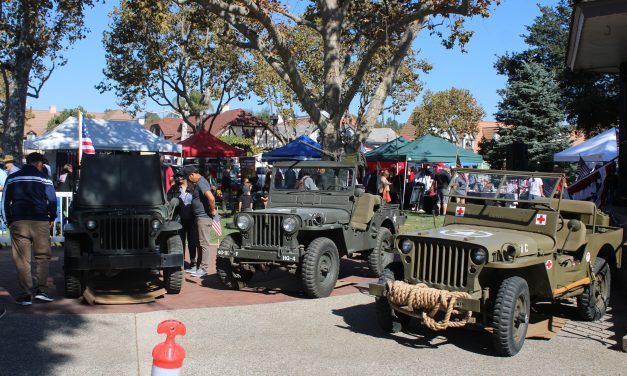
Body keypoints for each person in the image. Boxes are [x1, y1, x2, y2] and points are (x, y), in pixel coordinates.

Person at [1, 152, 57, 305]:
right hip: (40, 221)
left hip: (19, 221)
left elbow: (5, 201)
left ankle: (26, 295)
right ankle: (42, 290)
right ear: (38, 163)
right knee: (42, 257)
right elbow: (52, 200)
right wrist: (52, 217)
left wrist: (9, 222)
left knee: (22, 260)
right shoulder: (44, 178)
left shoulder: (12, 178)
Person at [184, 165, 217, 278]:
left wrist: (212, 210)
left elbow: (211, 198)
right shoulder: (199, 182)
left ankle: (204, 268)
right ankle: (198, 267)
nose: (188, 180)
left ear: (192, 174)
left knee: (204, 244)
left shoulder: (202, 182)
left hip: (203, 217)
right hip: (199, 217)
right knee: (199, 243)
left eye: (188, 178)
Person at [168, 172, 198, 273]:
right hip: (179, 219)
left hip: (191, 219)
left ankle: (193, 260)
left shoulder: (193, 188)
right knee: (180, 241)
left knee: (192, 240)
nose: (180, 177)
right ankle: (181, 260)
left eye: (182, 176)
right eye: (178, 176)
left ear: (186, 177)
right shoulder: (174, 189)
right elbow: (168, 201)